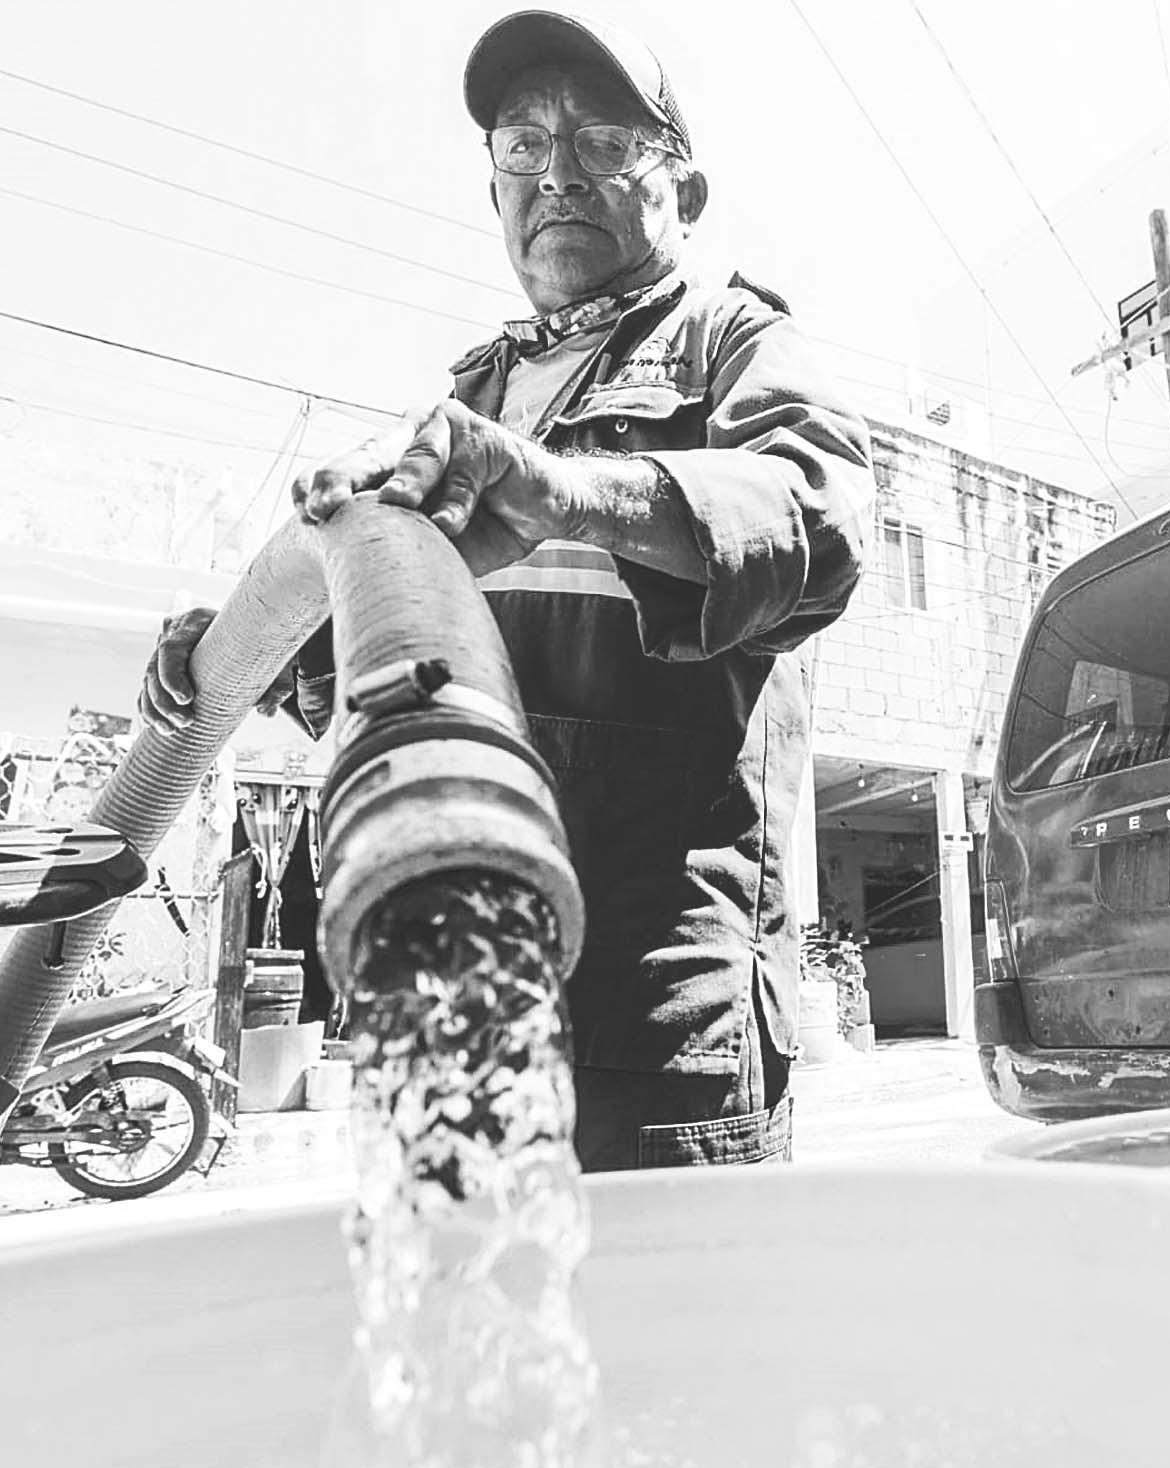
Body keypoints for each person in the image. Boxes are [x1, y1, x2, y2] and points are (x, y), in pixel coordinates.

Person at [141, 9, 872, 1170]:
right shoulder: (473, 391)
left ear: (683, 192)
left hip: (648, 1002)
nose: (556, 174)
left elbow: (817, 521)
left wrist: (569, 491)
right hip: (461, 997)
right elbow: (402, 664)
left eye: (602, 143)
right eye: (523, 147)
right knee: (467, 1282)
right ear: (495, 193)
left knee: (659, 1294)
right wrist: (258, 648)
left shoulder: (728, 339)